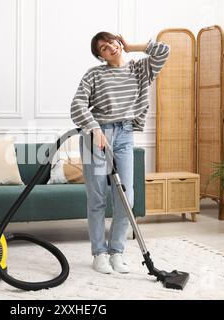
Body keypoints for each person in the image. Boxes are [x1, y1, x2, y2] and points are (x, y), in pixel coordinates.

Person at [70, 31, 170, 274]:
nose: (110, 48)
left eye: (112, 42)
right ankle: (99, 254)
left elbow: (164, 50)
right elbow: (77, 105)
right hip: (97, 136)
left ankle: (117, 252)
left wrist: (131, 46)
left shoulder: (140, 70)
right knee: (97, 199)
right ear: (99, 56)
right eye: (103, 48)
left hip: (125, 136)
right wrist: (94, 129)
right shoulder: (94, 74)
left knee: (127, 199)